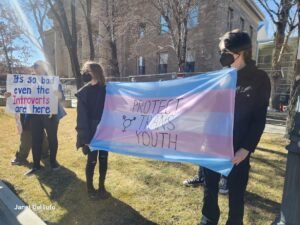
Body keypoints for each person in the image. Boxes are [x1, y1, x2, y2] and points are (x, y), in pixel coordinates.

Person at [199, 30, 271, 225]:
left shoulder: (259, 78)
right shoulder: (220, 77)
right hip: (212, 145)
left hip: (238, 148)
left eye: (226, 52)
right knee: (210, 188)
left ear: (241, 53)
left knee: (237, 193)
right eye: (221, 52)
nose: (222, 56)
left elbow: (258, 119)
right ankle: (208, 217)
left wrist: (246, 149)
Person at [25, 60, 66, 176]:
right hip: (35, 114)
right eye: (34, 66)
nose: (35, 69)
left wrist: (56, 93)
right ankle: (36, 165)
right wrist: (10, 94)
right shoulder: (29, 80)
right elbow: (21, 94)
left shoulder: (52, 80)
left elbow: (61, 97)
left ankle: (53, 162)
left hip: (50, 114)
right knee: (36, 139)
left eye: (37, 66)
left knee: (52, 138)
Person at [75, 61, 110, 199]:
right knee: (92, 160)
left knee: (103, 158)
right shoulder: (84, 93)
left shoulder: (107, 90)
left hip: (106, 128)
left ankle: (102, 187)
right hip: (91, 130)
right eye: (84, 71)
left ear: (96, 72)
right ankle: (90, 189)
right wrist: (85, 139)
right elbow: (81, 118)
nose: (85, 74)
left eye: (87, 71)